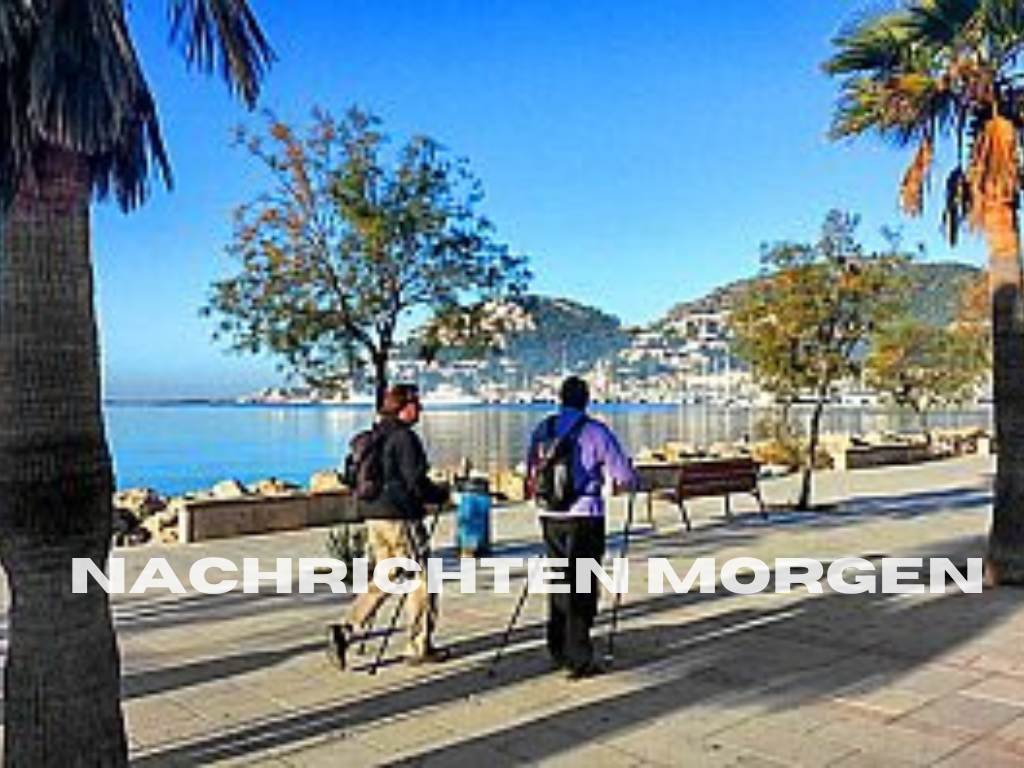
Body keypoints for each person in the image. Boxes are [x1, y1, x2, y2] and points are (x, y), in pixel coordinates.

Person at [327, 383, 451, 668]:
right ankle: (419, 646)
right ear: (404, 408)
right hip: (401, 518)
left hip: (374, 516)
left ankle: (346, 629)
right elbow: (415, 481)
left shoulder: (375, 434)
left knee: (388, 575)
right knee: (422, 582)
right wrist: (440, 494)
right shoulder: (405, 438)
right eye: (417, 405)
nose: (420, 409)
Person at [526, 376, 638, 679]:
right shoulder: (595, 431)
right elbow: (623, 475)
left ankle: (557, 646)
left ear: (560, 398)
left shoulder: (543, 429)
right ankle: (579, 656)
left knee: (560, 579)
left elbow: (531, 473)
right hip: (585, 514)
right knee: (584, 583)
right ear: (586, 399)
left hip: (550, 515)